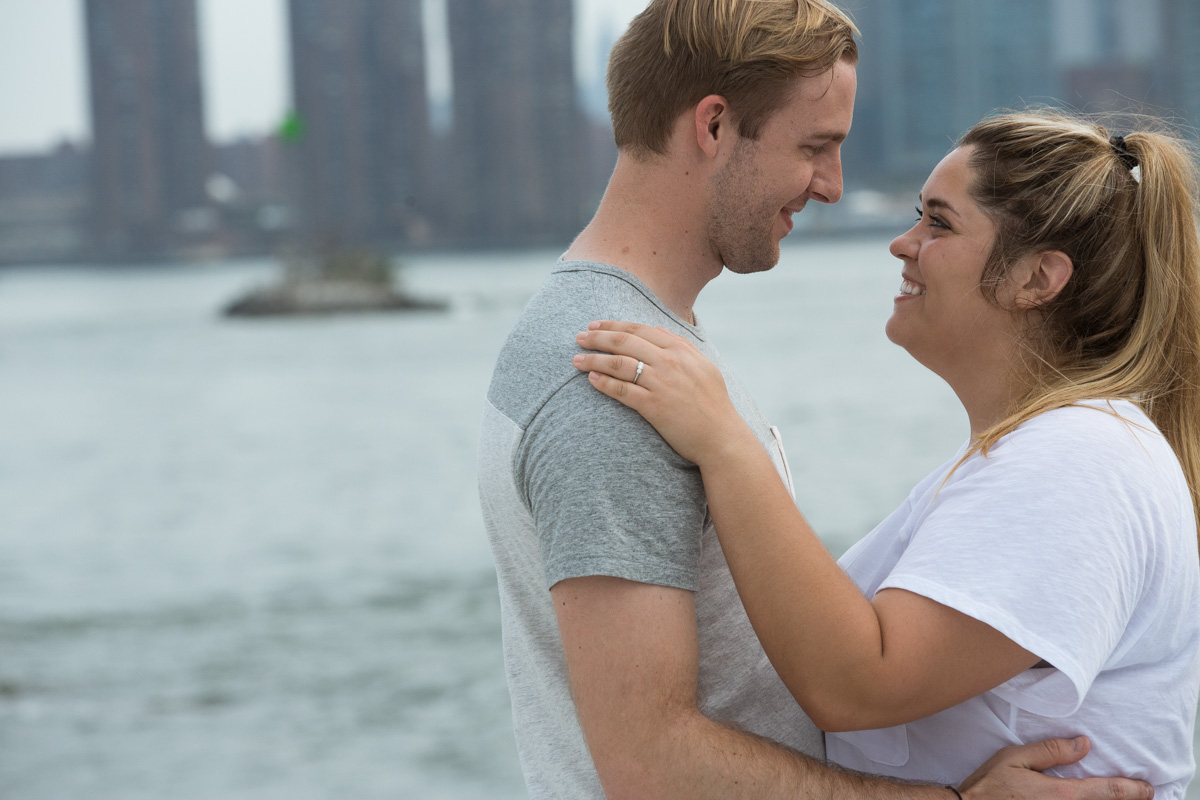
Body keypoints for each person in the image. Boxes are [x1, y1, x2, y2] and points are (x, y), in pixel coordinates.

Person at [572, 107, 1200, 798]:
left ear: (1037, 279)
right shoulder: (1054, 452)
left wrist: (724, 442)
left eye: (939, 222)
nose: (903, 244)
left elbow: (860, 681)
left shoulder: (1081, 458)